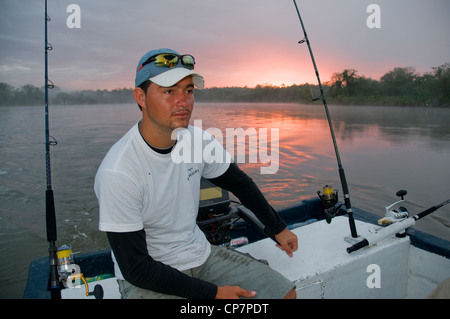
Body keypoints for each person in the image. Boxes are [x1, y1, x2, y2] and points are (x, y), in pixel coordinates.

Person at [94, 48, 298, 299]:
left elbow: (240, 184)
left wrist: (278, 228)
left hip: (199, 254)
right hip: (148, 276)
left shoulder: (198, 141)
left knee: (286, 294)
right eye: (169, 91)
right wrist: (212, 294)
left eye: (188, 91)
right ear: (141, 97)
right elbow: (136, 269)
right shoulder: (119, 171)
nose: (183, 101)